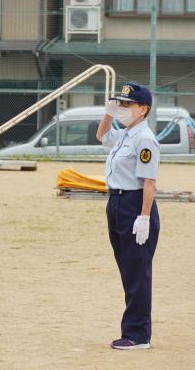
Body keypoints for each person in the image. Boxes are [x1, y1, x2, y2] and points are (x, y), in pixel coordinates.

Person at [95, 82, 161, 350]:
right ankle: (133, 330)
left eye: (127, 104)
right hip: (116, 201)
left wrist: (144, 217)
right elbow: (102, 135)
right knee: (127, 269)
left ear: (143, 109)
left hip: (135, 203)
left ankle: (138, 335)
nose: (122, 108)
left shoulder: (145, 139)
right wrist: (109, 113)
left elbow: (149, 182)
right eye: (120, 103)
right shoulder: (125, 134)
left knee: (137, 272)